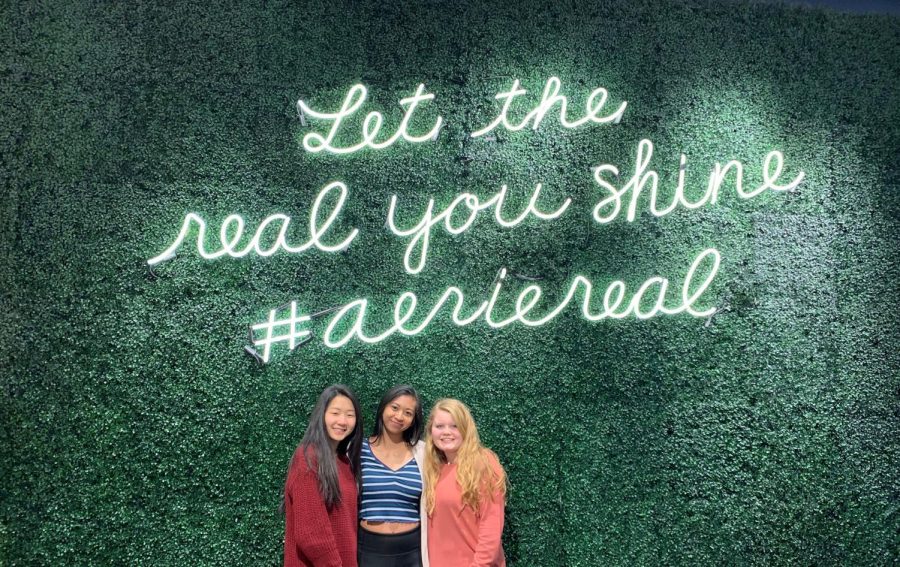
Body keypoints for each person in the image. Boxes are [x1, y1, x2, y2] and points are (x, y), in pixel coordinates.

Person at [283, 385, 363, 567]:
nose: (343, 421)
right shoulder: (308, 457)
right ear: (322, 415)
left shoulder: (344, 462)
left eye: (350, 415)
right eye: (335, 413)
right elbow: (311, 532)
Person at [423, 399, 507, 567]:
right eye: (439, 426)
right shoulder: (433, 469)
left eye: (454, 426)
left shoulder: (483, 462)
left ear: (466, 429)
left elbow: (490, 526)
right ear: (431, 430)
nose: (446, 432)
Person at [358, 385, 430, 567]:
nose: (399, 417)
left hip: (412, 550)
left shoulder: (423, 452)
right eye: (395, 408)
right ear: (383, 407)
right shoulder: (358, 450)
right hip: (370, 549)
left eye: (408, 413)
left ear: (414, 419)